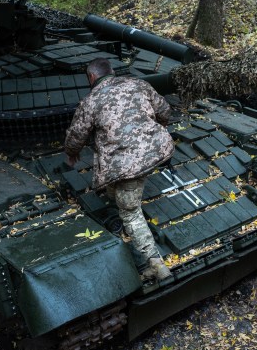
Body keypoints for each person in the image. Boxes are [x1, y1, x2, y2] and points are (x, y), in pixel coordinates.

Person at [64, 58, 174, 281]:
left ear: (92, 77)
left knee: (129, 212)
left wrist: (72, 152)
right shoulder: (138, 84)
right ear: (112, 72)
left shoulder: (91, 101)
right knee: (120, 191)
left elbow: (76, 136)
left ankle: (155, 264)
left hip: (124, 165)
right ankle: (120, 194)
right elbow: (165, 111)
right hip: (157, 150)